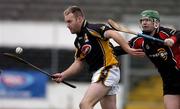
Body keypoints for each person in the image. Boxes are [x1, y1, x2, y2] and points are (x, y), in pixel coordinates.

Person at [52, 6, 144, 109]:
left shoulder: (93, 29)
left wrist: (127, 48)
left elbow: (113, 33)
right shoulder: (78, 41)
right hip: (103, 72)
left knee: (85, 104)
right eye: (66, 22)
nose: (67, 25)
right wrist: (63, 75)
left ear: (79, 19)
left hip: (107, 70)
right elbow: (78, 63)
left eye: (69, 21)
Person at [114, 10, 180, 109]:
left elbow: (179, 34)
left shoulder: (165, 33)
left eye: (148, 20)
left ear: (156, 23)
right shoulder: (139, 41)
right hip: (169, 80)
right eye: (142, 20)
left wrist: (172, 40)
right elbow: (119, 50)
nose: (144, 22)